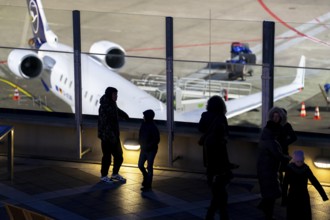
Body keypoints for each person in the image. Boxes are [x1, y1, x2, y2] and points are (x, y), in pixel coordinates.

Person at [198, 95, 233, 220]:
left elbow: (200, 128)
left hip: (208, 152)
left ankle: (214, 213)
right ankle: (217, 214)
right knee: (221, 189)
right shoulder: (221, 118)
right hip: (219, 153)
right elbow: (226, 134)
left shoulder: (205, 115)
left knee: (214, 182)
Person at [257, 120, 291, 220]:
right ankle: (268, 215)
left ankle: (265, 211)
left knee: (268, 194)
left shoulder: (264, 138)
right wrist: (288, 158)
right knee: (271, 195)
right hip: (269, 171)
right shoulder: (271, 142)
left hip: (264, 169)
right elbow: (278, 155)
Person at [282, 150, 329, 220]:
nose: (299, 163)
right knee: (299, 214)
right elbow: (285, 184)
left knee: (297, 214)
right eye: (298, 161)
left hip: (300, 195)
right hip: (296, 195)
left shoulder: (293, 168)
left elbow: (314, 181)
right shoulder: (302, 168)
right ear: (295, 160)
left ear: (303, 160)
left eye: (301, 161)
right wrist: (284, 199)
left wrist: (323, 195)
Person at [98, 87, 129, 183]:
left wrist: (124, 115)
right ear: (110, 95)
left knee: (119, 156)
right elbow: (105, 124)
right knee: (107, 157)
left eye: (116, 95)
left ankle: (114, 174)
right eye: (115, 95)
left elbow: (116, 110)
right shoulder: (105, 106)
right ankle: (104, 176)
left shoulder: (111, 103)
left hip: (114, 136)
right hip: (107, 137)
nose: (116, 97)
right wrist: (112, 137)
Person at [268, 107, 297, 186]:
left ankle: (279, 185)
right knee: (282, 170)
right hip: (282, 150)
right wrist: (285, 143)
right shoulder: (286, 126)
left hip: (278, 150)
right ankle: (282, 186)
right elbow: (294, 137)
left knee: (278, 169)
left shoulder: (275, 125)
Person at [138, 109, 160, 192]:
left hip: (151, 150)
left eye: (144, 116)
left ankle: (148, 184)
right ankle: (146, 176)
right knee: (140, 165)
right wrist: (141, 143)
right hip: (144, 149)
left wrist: (148, 146)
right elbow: (140, 134)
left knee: (149, 167)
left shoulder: (153, 127)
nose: (143, 117)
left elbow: (156, 139)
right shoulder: (144, 124)